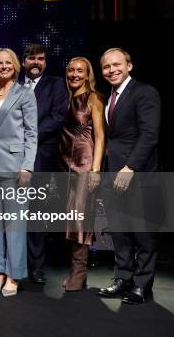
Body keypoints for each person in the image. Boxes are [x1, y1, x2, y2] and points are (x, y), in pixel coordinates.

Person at [97, 48, 160, 305]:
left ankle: (143, 286)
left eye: (117, 65)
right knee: (120, 232)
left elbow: (149, 135)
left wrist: (131, 167)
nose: (112, 70)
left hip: (138, 173)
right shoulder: (108, 97)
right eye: (106, 67)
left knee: (142, 232)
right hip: (114, 173)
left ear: (129, 66)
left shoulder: (145, 92)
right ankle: (123, 279)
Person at [0, 47, 37, 297]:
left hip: (15, 166)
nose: (3, 66)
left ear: (15, 65)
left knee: (14, 224)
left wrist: (27, 165)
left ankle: (14, 275)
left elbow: (32, 133)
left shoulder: (25, 94)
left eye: (8, 63)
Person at [20, 44, 68, 285]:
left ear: (45, 62)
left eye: (40, 59)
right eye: (31, 59)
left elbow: (58, 117)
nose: (36, 62)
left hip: (41, 155)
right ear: (23, 62)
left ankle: (36, 268)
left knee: (36, 213)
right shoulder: (15, 87)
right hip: (14, 156)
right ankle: (14, 265)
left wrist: (28, 137)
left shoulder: (56, 84)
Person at [58, 57, 105, 291]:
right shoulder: (67, 99)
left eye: (80, 71)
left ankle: (79, 272)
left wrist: (96, 169)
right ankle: (77, 273)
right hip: (65, 165)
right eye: (71, 70)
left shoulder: (93, 98)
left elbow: (100, 135)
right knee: (70, 220)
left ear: (88, 75)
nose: (74, 74)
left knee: (80, 219)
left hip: (84, 164)